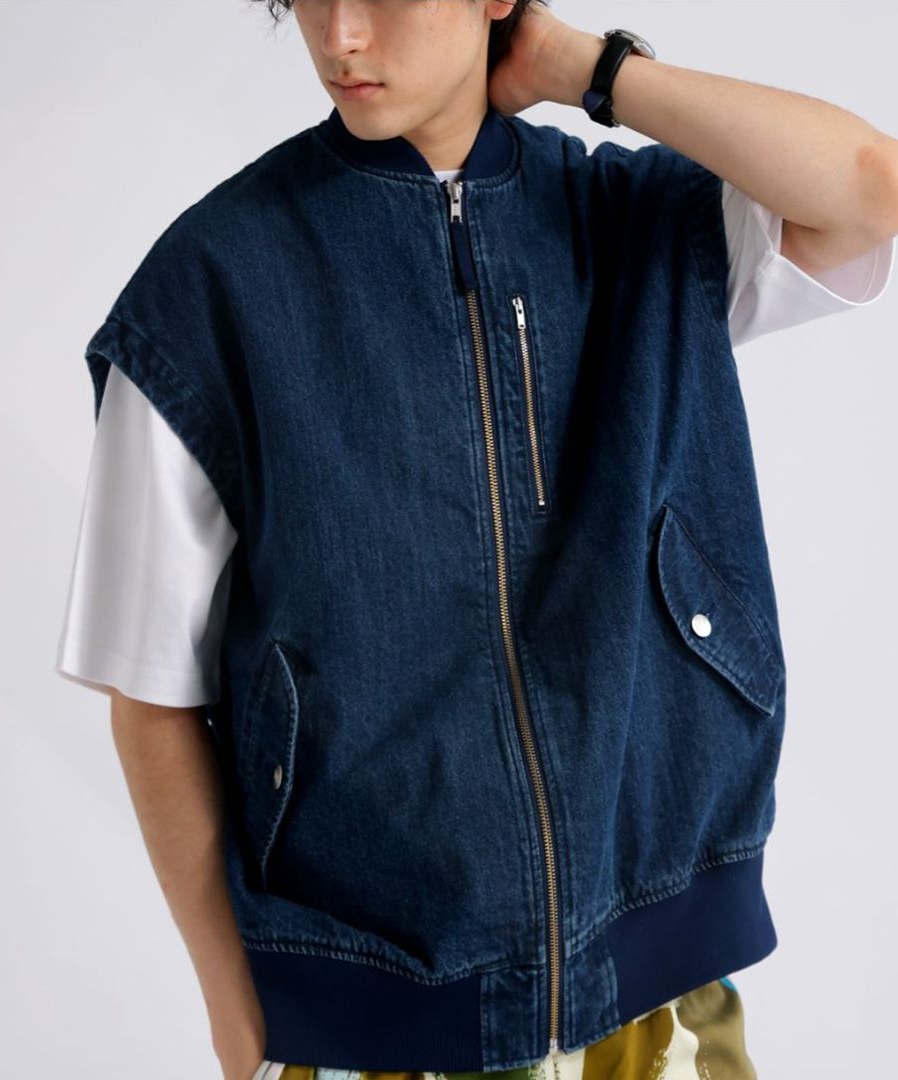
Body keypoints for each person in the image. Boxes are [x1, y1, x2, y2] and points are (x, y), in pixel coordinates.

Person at [55, 2, 896, 1079]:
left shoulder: (639, 226)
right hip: (363, 1024)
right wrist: (239, 1020)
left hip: (658, 1006)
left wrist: (584, 67)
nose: (339, 36)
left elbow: (870, 189)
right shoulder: (208, 289)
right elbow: (148, 694)